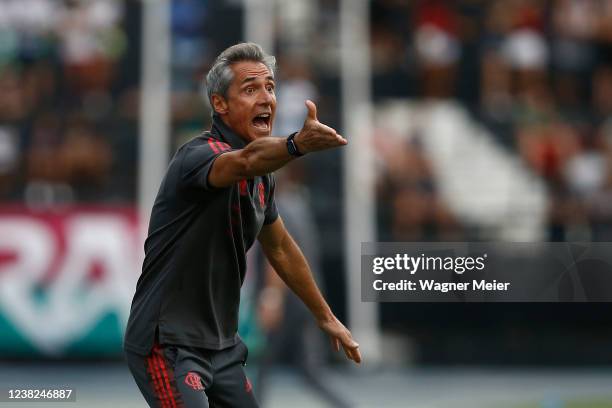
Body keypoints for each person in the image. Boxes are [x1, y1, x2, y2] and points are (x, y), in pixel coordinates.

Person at [123, 42, 361, 408]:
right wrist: (297, 144)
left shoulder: (264, 179)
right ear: (219, 104)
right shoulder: (197, 157)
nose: (266, 98)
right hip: (166, 342)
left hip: (222, 347)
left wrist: (325, 316)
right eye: (250, 89)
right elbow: (246, 161)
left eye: (270, 87)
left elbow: (281, 248)